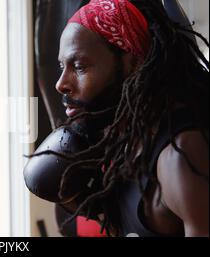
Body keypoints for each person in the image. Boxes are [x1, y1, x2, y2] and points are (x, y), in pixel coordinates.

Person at [51, 0, 208, 236]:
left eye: (79, 66)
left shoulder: (179, 156)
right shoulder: (124, 146)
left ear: (132, 63)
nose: (60, 83)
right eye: (62, 66)